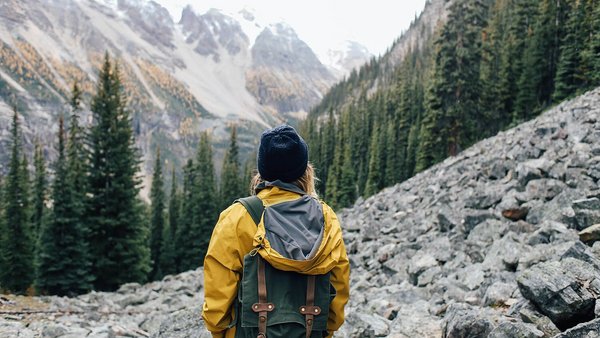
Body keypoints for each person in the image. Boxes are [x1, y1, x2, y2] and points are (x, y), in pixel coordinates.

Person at [202, 124, 350, 338]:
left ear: (262, 171)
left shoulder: (237, 217)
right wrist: (327, 330)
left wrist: (220, 333)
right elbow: (338, 284)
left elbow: (218, 294)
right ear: (305, 170)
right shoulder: (326, 217)